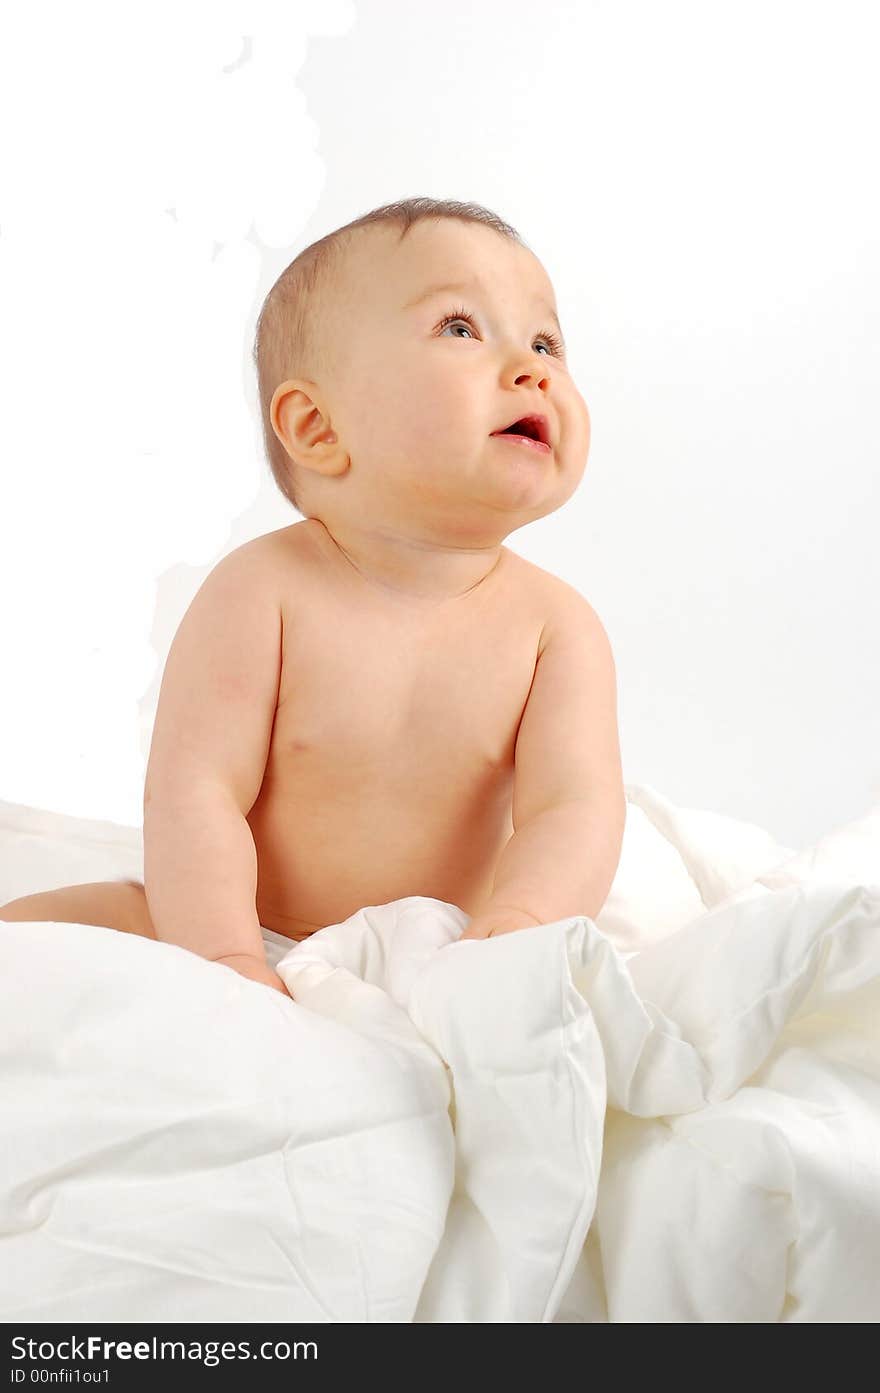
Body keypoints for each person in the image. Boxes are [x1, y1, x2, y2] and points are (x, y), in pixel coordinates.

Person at [1, 196, 626, 1000]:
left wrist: (520, 926)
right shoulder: (261, 593)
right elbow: (196, 791)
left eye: (547, 341)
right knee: (33, 932)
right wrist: (227, 959)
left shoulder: (556, 629)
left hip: (449, 947)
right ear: (318, 426)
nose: (533, 366)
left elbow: (572, 809)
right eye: (462, 328)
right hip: (239, 921)